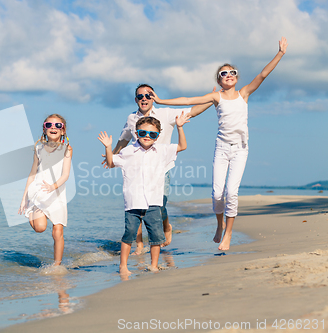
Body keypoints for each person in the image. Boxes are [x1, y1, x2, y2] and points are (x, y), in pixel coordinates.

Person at [152, 37, 288, 251]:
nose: (229, 75)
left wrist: (279, 54)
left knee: (231, 192)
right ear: (219, 79)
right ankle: (219, 224)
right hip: (222, 149)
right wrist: (160, 101)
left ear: (236, 77)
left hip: (240, 150)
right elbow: (189, 101)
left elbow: (262, 75)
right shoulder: (217, 97)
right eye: (224, 73)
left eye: (232, 72)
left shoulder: (244, 94)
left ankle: (228, 232)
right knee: (217, 193)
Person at [107, 84, 213, 254]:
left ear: (154, 97)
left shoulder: (166, 113)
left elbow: (192, 111)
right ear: (136, 100)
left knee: (159, 205)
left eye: (148, 95)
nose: (144, 98)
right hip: (136, 167)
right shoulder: (131, 119)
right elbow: (123, 139)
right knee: (136, 204)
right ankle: (140, 244)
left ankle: (166, 225)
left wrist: (212, 100)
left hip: (161, 168)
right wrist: (112, 155)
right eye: (140, 96)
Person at [98, 114, 190, 275]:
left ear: (157, 136)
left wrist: (180, 127)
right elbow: (111, 162)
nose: (147, 136)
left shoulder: (162, 150)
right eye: (143, 133)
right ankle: (123, 266)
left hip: (154, 201)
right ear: (136, 132)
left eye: (152, 134)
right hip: (133, 202)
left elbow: (182, 146)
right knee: (128, 235)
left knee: (156, 237)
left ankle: (154, 265)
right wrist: (108, 147)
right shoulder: (128, 151)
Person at [18, 114, 73, 266]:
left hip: (57, 193)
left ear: (63, 131)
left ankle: (57, 265)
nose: (53, 128)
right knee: (40, 228)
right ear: (44, 128)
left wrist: (53, 186)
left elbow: (65, 174)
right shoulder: (38, 148)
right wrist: (24, 199)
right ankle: (33, 209)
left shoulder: (66, 149)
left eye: (58, 126)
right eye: (49, 125)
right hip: (39, 192)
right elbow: (32, 174)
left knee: (58, 232)